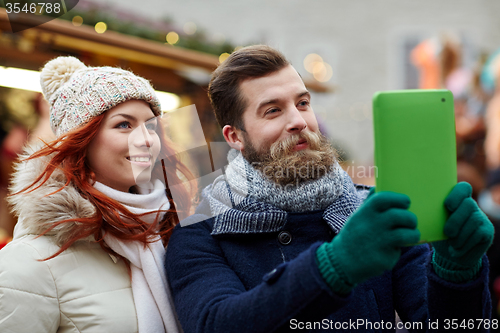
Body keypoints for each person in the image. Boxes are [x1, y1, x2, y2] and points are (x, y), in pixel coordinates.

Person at [165, 45, 494, 332]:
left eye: (303, 103)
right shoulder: (200, 233)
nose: (299, 121)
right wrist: (333, 266)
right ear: (235, 137)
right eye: (273, 110)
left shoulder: (377, 211)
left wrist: (456, 272)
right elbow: (216, 324)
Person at [0, 56, 194, 332]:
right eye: (124, 125)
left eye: (151, 126)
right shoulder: (31, 260)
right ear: (82, 140)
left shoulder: (173, 237)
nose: (147, 139)